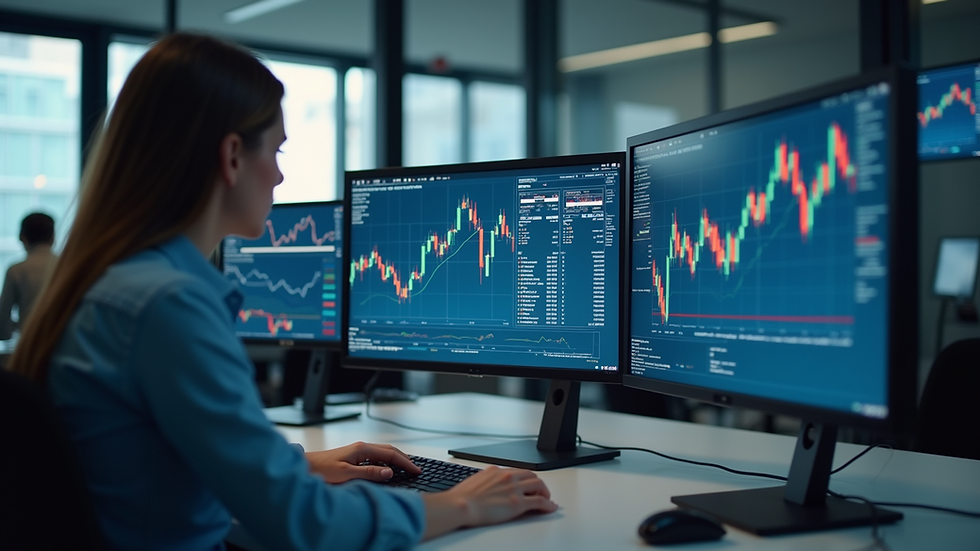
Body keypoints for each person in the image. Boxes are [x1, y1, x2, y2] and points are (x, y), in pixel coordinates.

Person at [8, 33, 557, 551]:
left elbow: (162, 456)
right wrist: (462, 504)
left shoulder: (110, 280)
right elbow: (302, 523)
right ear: (230, 157)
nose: (279, 178)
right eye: (277, 152)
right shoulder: (169, 305)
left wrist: (295, 463)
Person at [0, 212, 58, 340]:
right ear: (53, 237)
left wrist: (10, 331)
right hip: (63, 340)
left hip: (28, 341)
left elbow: (2, 318)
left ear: (22, 237)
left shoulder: (16, 270)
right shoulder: (66, 266)